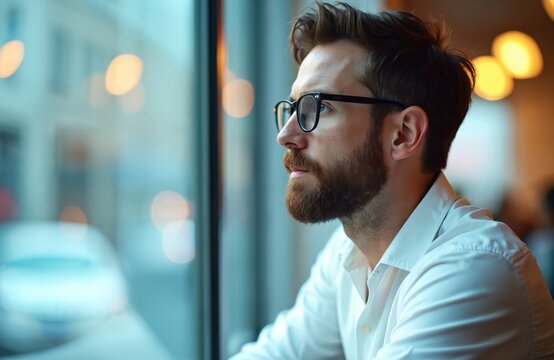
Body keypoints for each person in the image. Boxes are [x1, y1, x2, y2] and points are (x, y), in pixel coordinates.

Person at [232, 2, 554, 359]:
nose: (287, 135)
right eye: (291, 109)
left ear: (403, 134)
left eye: (318, 106)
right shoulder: (348, 253)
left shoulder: (474, 268)